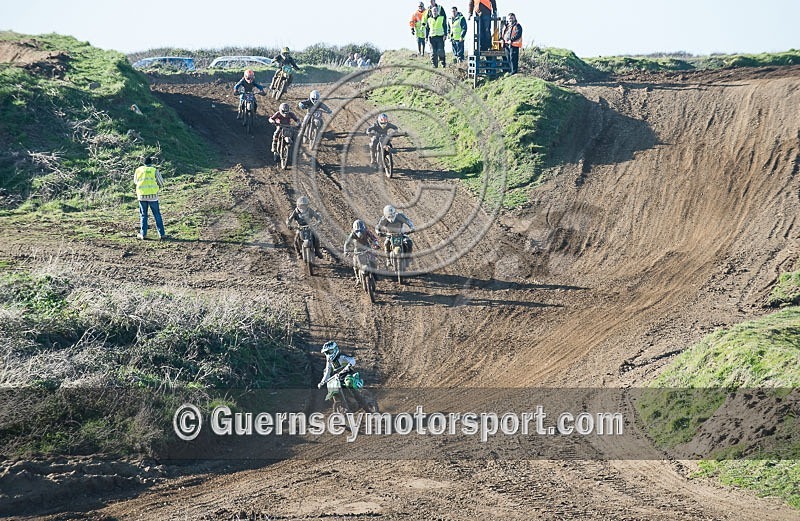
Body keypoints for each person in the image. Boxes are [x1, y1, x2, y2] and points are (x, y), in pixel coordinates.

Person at [134, 156, 166, 240]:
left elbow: (135, 181)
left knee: (143, 215)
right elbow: (161, 183)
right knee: (157, 215)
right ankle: (161, 234)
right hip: (153, 196)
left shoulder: (138, 170)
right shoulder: (154, 170)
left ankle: (143, 234)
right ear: (151, 163)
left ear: (143, 163)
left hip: (141, 196)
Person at [343, 219, 380, 283]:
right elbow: (347, 243)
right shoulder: (352, 234)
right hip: (357, 250)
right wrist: (346, 251)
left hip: (367, 247)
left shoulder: (367, 231)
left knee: (373, 260)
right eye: (357, 231)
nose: (360, 233)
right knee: (355, 265)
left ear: (364, 228)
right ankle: (358, 278)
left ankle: (375, 274)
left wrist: (375, 244)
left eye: (361, 230)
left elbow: (373, 238)